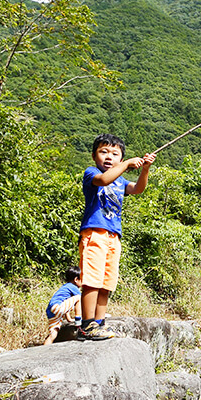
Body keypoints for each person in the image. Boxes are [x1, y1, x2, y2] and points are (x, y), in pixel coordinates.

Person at [78, 133, 156, 340]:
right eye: (103, 152)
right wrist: (128, 163)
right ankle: (87, 325)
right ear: (94, 156)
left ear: (120, 159)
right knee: (92, 280)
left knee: (106, 282)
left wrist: (144, 168)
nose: (109, 157)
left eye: (115, 154)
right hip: (95, 232)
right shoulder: (91, 173)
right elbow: (104, 180)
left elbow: (138, 189)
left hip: (114, 236)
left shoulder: (120, 181)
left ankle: (100, 323)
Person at [44, 266, 82, 345]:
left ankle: (44, 350)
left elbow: (65, 306)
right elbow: (82, 300)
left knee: (53, 333)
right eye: (81, 279)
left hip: (52, 310)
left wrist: (69, 319)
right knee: (79, 298)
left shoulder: (65, 287)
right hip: (57, 306)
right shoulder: (73, 287)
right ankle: (79, 321)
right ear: (76, 279)